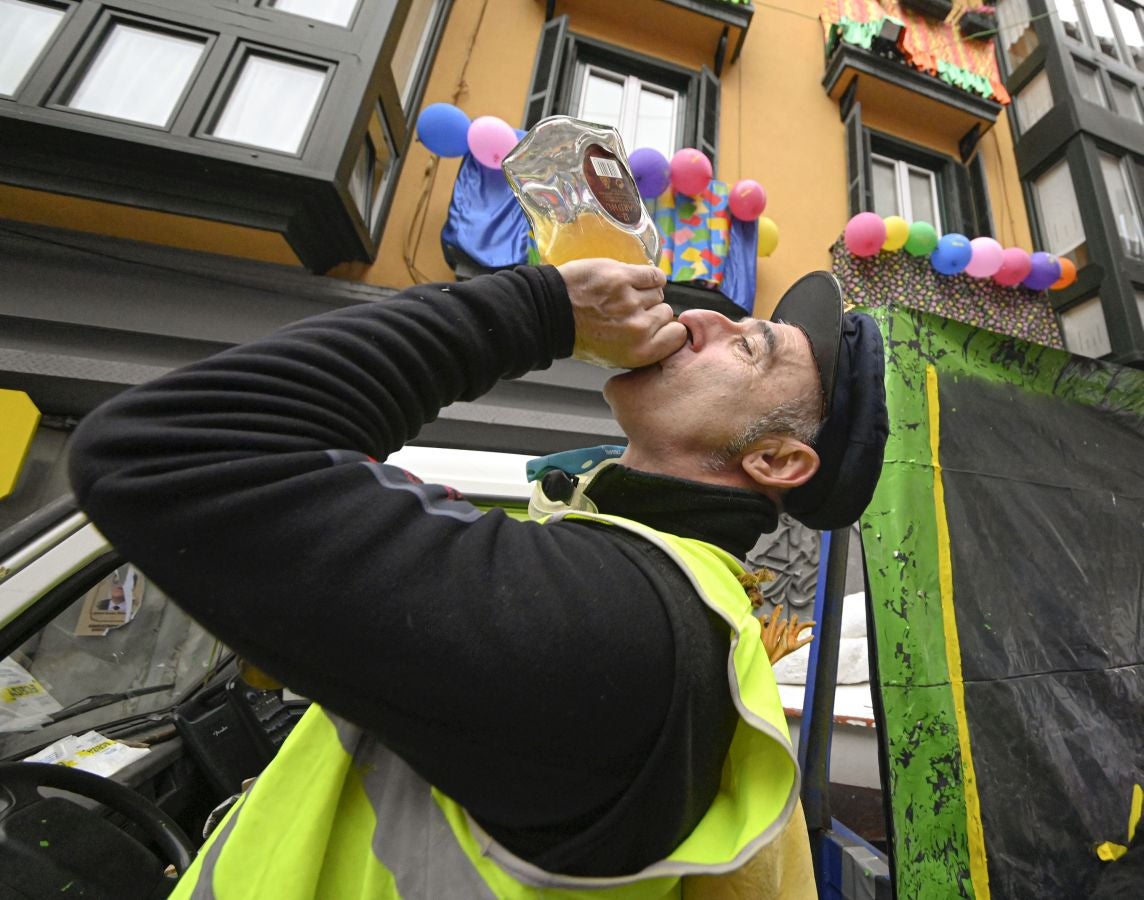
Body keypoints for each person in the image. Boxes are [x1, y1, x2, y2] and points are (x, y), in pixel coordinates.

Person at [67, 258, 888, 898]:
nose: (703, 315)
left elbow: (164, 446)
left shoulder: (618, 618)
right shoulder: (648, 592)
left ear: (776, 458)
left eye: (749, 346)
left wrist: (540, 311)